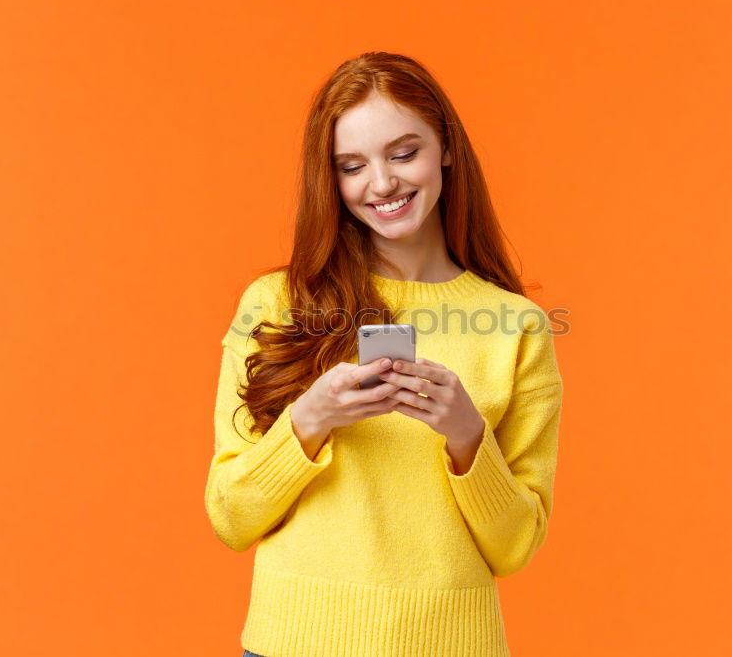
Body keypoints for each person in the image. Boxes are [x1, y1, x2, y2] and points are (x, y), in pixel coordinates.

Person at [205, 51, 564, 657]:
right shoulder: (275, 302)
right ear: (331, 178)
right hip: (293, 643)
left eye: (403, 153)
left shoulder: (515, 326)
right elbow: (231, 518)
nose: (383, 183)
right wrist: (310, 418)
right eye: (352, 166)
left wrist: (466, 434)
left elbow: (516, 547)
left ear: (445, 147)